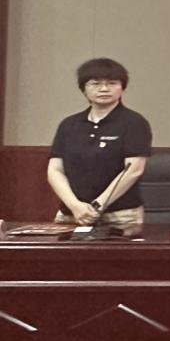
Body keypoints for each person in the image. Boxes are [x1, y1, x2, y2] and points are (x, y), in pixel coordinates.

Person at [48, 58, 152, 226]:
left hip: (120, 216)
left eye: (112, 83)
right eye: (95, 84)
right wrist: (74, 205)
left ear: (122, 87)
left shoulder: (134, 123)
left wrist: (97, 205)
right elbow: (55, 170)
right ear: (83, 88)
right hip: (72, 213)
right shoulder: (69, 125)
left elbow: (134, 170)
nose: (104, 89)